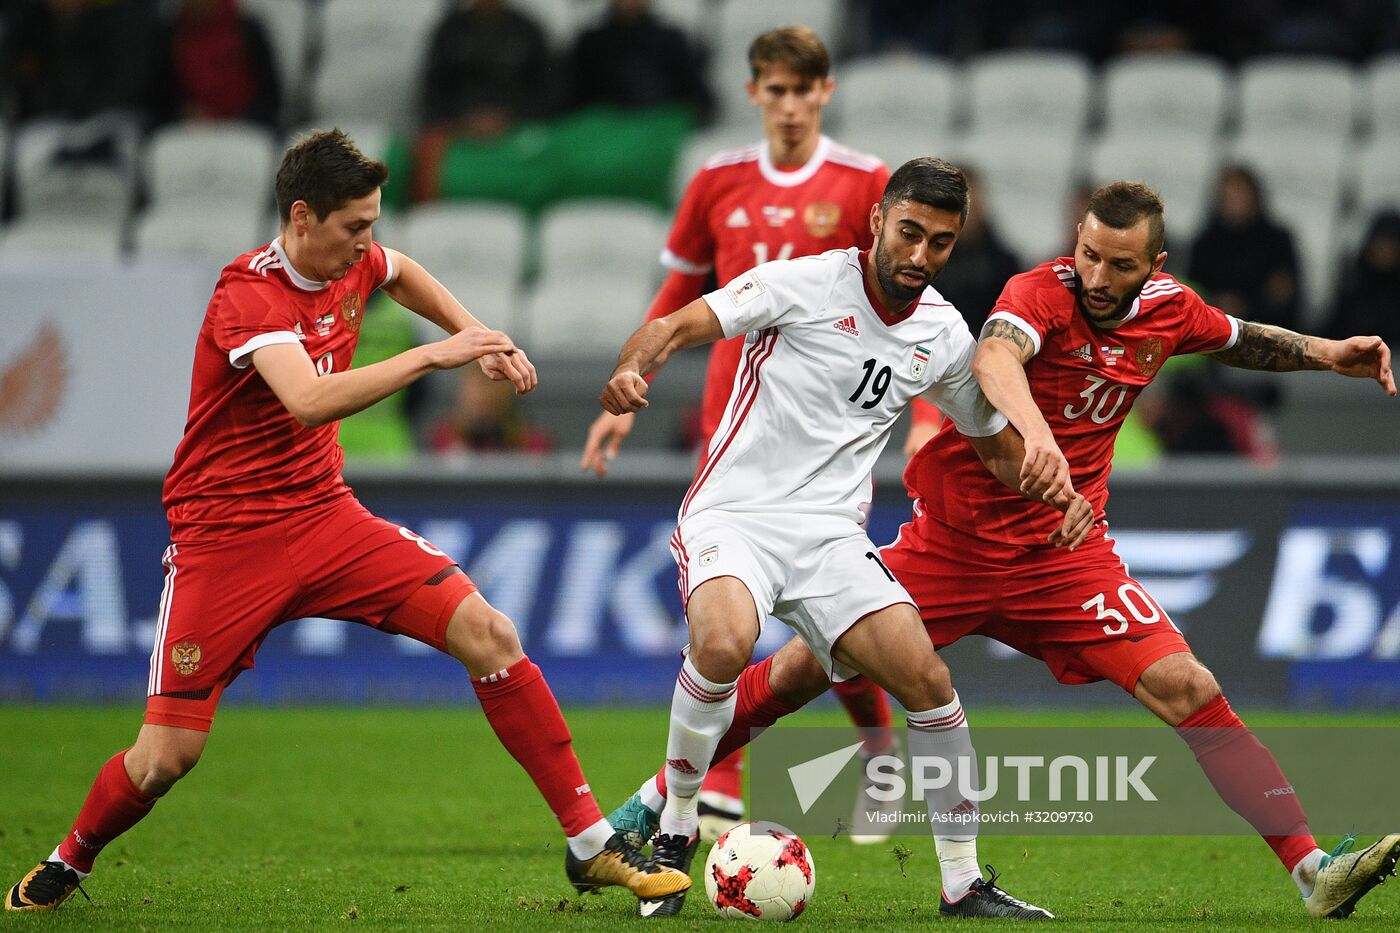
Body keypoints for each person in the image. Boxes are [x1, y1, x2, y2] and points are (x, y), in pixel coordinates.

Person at [622, 180, 1399, 921]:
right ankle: (654, 802)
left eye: (1119, 264)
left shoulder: (1170, 311)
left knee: (1189, 686)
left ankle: (1312, 870)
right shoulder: (1038, 294)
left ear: (1153, 269)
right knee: (793, 674)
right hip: (952, 547)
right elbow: (995, 360)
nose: (1097, 275)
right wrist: (1039, 439)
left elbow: (1240, 340)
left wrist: (1332, 352)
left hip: (1066, 557)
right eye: (1089, 253)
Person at [4, 130, 690, 913]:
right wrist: (438, 355)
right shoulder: (247, 295)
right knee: (166, 758)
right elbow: (308, 400)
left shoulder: (353, 255)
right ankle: (70, 857)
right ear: (302, 218)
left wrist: (475, 339)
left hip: (327, 519)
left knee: (490, 634)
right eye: (354, 227)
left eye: (371, 224)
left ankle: (590, 842)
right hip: (224, 543)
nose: (367, 242)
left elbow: (402, 272)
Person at [599, 158, 1089, 919]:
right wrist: (633, 369)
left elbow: (991, 444)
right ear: (878, 222)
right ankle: (676, 826)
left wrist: (1048, 479)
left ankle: (962, 883)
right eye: (910, 233)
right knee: (726, 645)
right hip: (737, 513)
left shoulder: (943, 333)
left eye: (940, 242)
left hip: (829, 536)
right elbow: (677, 323)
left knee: (927, 683)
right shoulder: (802, 283)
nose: (920, 255)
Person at [579, 25, 900, 842]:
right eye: (775, 89)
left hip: (828, 434)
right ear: (754, 92)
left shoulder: (867, 182)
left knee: (829, 622)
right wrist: (626, 390)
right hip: (734, 419)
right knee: (728, 613)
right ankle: (718, 775)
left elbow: (897, 306)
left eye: (804, 89)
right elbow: (682, 289)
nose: (789, 105)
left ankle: (880, 749)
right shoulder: (715, 180)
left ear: (825, 93)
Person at [1188, 165, 1302, 332]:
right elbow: (1192, 291)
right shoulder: (1205, 242)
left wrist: (1245, 307)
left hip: (1266, 333)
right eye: (1230, 197)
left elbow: (1283, 293)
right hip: (1212, 335)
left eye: (1241, 196)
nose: (1236, 204)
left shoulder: (1276, 241)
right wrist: (1216, 305)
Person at [567, 0, 713, 122]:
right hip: (604, 129)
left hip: (657, 124)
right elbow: (574, 94)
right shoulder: (592, 43)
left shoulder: (669, 40)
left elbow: (694, 91)